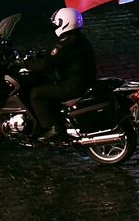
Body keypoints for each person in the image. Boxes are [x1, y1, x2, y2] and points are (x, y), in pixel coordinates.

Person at [28, 7, 98, 141]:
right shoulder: (78, 39)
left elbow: (45, 65)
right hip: (83, 80)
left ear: (64, 23)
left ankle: (54, 128)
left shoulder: (66, 44)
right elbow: (53, 57)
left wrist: (23, 64)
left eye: (57, 23)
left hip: (73, 85)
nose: (55, 26)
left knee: (36, 94)